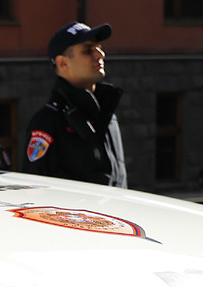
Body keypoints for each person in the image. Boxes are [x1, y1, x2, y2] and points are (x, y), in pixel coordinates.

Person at [23, 21, 126, 187]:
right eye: (88, 50)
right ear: (63, 63)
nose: (100, 55)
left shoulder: (106, 111)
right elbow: (35, 190)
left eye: (99, 48)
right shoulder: (48, 121)